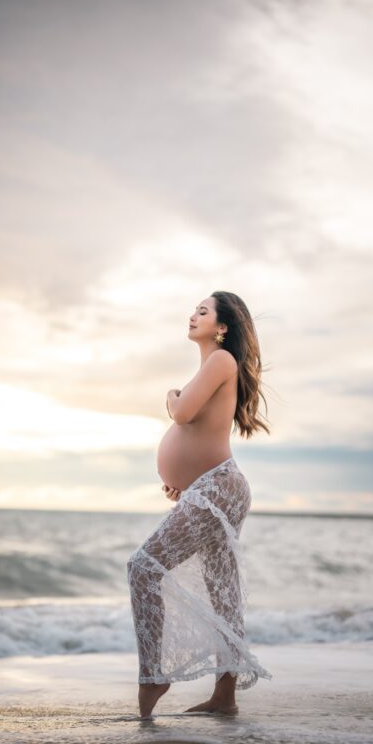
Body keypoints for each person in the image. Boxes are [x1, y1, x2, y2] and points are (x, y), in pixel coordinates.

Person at [126, 291, 273, 719]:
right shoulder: (213, 367)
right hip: (209, 489)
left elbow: (182, 414)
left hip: (219, 488)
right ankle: (225, 698)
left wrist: (170, 395)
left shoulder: (221, 361)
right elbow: (198, 429)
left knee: (143, 566)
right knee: (221, 592)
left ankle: (154, 673)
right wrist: (183, 483)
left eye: (203, 312)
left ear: (222, 327)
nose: (193, 316)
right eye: (195, 310)